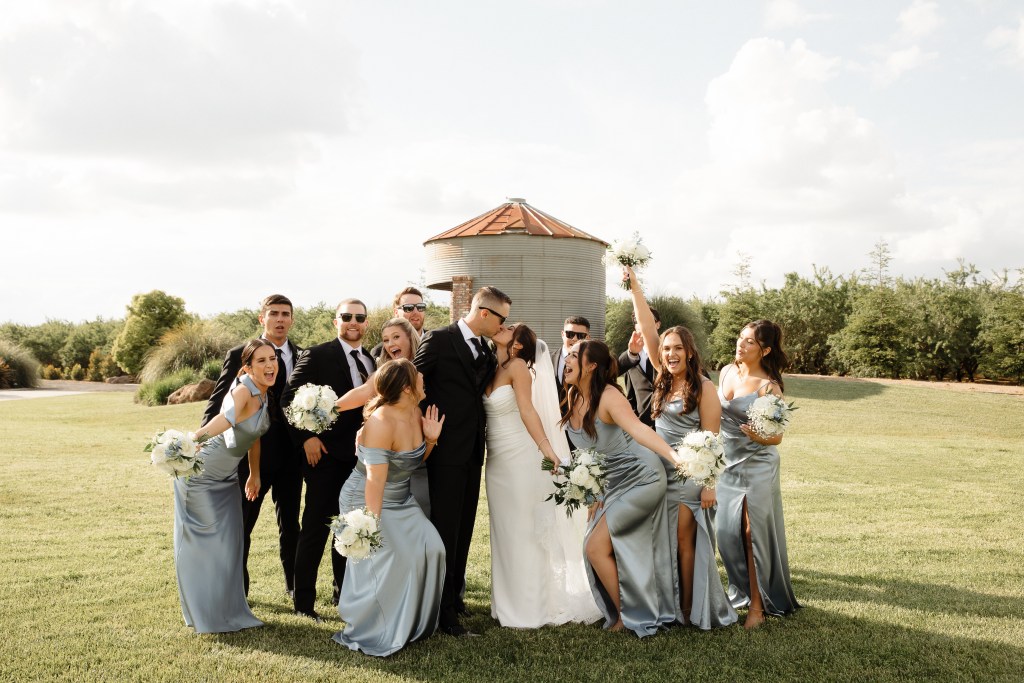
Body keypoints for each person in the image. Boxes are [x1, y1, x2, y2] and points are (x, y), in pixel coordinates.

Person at [627, 267, 738, 630]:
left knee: (684, 542)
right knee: (662, 541)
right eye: (666, 349)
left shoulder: (704, 388)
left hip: (690, 478)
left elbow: (713, 440)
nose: (670, 353)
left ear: (690, 353)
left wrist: (709, 486)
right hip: (658, 473)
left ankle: (690, 610)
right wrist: (635, 287)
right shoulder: (662, 378)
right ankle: (669, 603)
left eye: (677, 348)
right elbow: (648, 329)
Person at [484, 323, 601, 628]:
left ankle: (530, 607)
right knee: (504, 530)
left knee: (523, 530)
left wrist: (547, 449)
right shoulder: (492, 366)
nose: (502, 326)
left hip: (520, 457)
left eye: (509, 327)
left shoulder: (518, 367)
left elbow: (527, 411)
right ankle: (506, 602)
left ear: (518, 345)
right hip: (496, 461)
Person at [560, 339, 677, 637]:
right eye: (567, 355)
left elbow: (638, 430)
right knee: (595, 547)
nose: (567, 360)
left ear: (591, 366)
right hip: (611, 484)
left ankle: (628, 616)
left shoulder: (610, 396)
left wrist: (674, 456)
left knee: (595, 547)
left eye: (574, 355)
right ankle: (624, 612)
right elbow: (587, 456)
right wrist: (593, 492)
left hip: (642, 477)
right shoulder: (572, 395)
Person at [333, 359, 446, 656]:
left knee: (433, 547)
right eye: (417, 374)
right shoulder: (381, 422)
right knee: (390, 557)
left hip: (401, 499)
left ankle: (411, 622)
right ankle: (373, 627)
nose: (423, 376)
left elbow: (413, 461)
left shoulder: (415, 411)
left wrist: (431, 439)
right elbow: (375, 481)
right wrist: (370, 527)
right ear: (407, 388)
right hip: (367, 500)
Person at [413, 286, 509, 637]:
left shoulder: (486, 348)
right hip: (443, 450)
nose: (503, 325)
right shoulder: (439, 339)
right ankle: (442, 613)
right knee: (445, 529)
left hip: (472, 452)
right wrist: (424, 426)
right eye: (501, 318)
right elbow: (413, 383)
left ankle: (455, 597)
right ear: (484, 313)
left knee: (464, 527)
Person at [202, 294, 302, 599]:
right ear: (262, 318)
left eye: (285, 314)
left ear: (292, 319)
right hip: (251, 456)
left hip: (292, 456)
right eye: (274, 313)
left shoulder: (303, 355)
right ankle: (237, 592)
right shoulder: (239, 354)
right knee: (242, 525)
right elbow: (219, 404)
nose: (280, 319)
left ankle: (295, 588)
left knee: (291, 525)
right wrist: (203, 442)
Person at [282, 299, 376, 622]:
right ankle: (304, 603)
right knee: (316, 528)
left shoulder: (371, 360)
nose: (353, 322)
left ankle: (343, 594)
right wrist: (305, 438)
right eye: (346, 316)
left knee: (349, 527)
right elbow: (288, 398)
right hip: (325, 458)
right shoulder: (317, 354)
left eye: (359, 317)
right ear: (336, 321)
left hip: (361, 459)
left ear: (366, 323)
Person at [174, 339, 276, 633]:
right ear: (248, 367)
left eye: (272, 358)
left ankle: (227, 609)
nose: (270, 365)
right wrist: (191, 440)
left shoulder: (263, 392)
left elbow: (254, 436)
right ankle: (205, 615)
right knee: (207, 547)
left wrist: (254, 474)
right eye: (261, 361)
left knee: (230, 545)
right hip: (201, 477)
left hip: (228, 477)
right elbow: (224, 419)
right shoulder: (242, 390)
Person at [716, 319, 800, 629]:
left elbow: (777, 437)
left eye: (750, 341)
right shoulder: (726, 371)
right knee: (727, 533)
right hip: (727, 464)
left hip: (757, 463)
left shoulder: (769, 387)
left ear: (765, 350)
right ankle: (739, 589)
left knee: (752, 533)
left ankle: (757, 605)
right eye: (741, 337)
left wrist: (759, 436)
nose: (741, 344)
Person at [335, 317, 429, 514]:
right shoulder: (386, 370)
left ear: (410, 337)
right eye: (385, 340)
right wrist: (328, 410)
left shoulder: (427, 364)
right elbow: (364, 392)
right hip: (392, 460)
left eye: (396, 337)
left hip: (421, 451)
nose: (390, 344)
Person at [618, 306, 661, 427]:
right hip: (643, 428)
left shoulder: (670, 353)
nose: (642, 324)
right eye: (638, 321)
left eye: (648, 320)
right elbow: (631, 396)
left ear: (657, 324)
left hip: (669, 426)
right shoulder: (629, 358)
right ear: (635, 327)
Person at [370, 287, 427, 360]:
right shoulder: (379, 352)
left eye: (420, 307)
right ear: (396, 313)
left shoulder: (437, 342)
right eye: (408, 308)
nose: (416, 312)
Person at [553, 316, 591, 412]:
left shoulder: (592, 363)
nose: (574, 339)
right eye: (570, 334)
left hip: (580, 416)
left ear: (587, 338)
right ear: (562, 334)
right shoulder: (547, 360)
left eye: (580, 336)